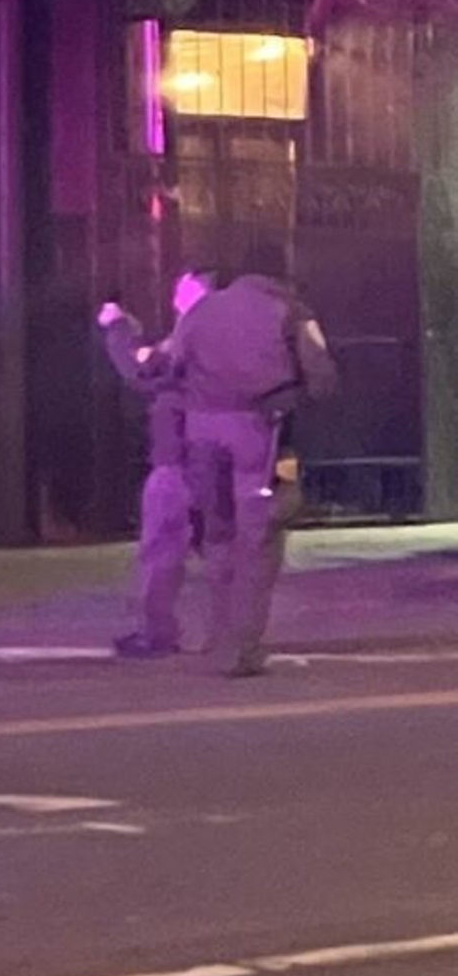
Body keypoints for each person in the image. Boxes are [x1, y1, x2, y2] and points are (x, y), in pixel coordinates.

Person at [154, 265, 341, 677]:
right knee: (260, 537)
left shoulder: (201, 312)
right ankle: (244, 647)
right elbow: (322, 375)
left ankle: (217, 636)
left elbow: (170, 367)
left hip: (203, 434)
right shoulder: (288, 309)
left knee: (218, 533)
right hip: (260, 432)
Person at [98, 273, 212, 658]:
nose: (174, 296)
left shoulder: (188, 337)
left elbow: (140, 370)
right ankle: (231, 629)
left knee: (163, 546)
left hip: (177, 457)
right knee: (222, 548)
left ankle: (157, 632)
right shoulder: (229, 341)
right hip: (217, 456)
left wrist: (118, 327)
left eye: (183, 289)